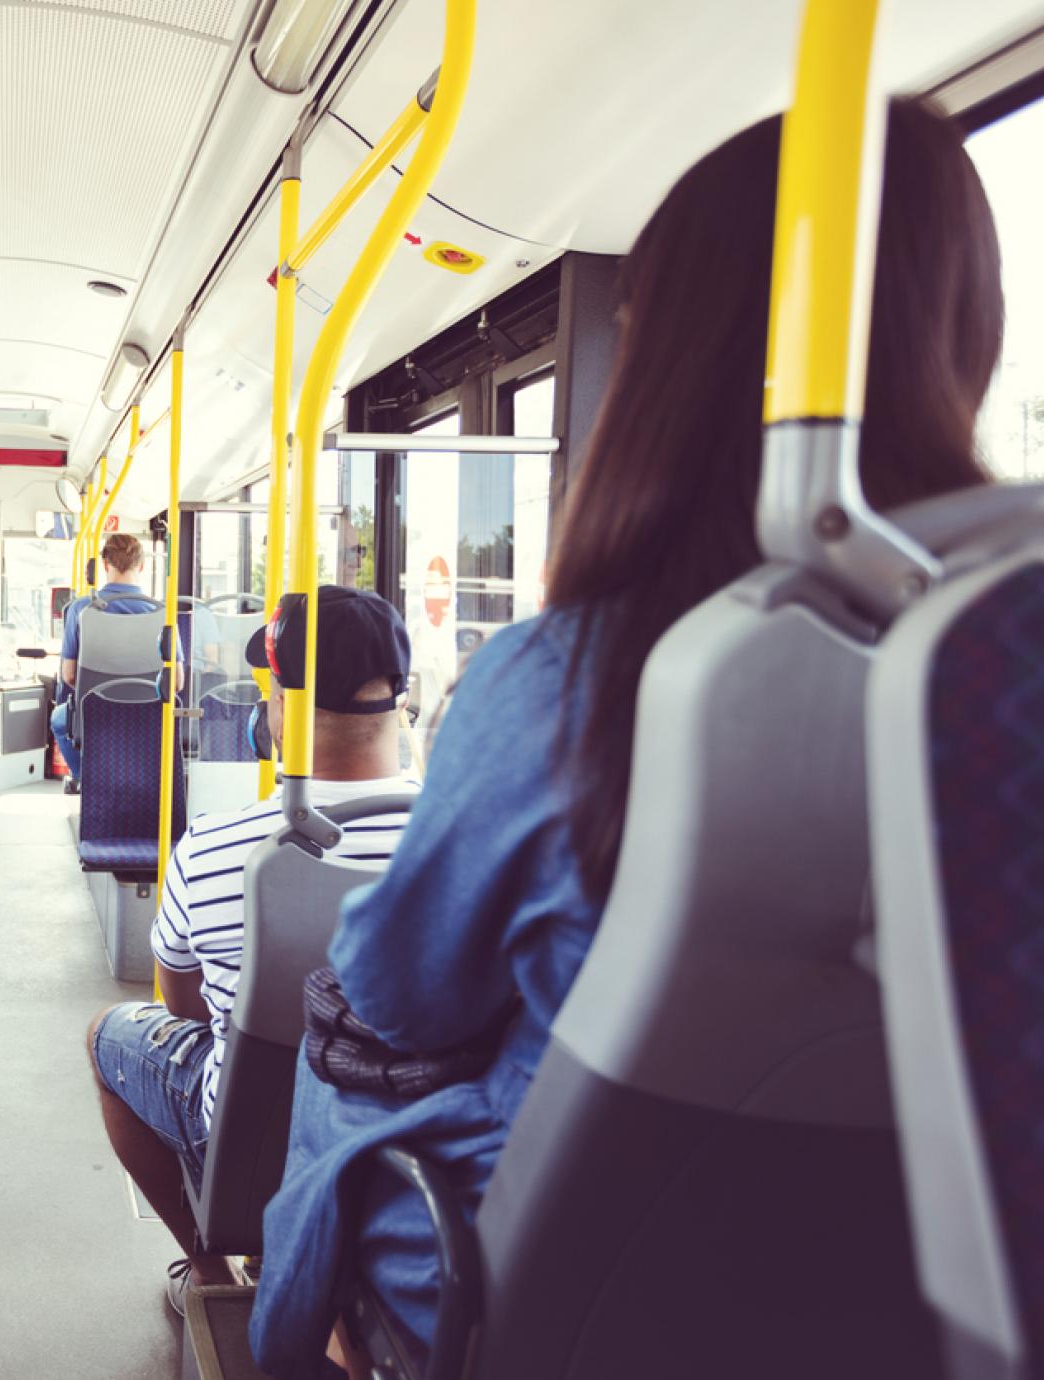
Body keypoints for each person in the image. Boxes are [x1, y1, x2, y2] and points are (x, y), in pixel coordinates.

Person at [252, 97, 1003, 1377]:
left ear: (666, 369)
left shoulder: (568, 685)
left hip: (576, 1302)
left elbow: (389, 1002)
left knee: (342, 1044)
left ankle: (295, 1306)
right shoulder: (999, 691)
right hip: (929, 1308)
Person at [88, 586, 422, 1314]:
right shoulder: (462, 845)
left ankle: (209, 1270)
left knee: (108, 1037)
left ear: (278, 705)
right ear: (402, 697)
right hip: (419, 1150)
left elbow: (184, 1004)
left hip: (257, 1147)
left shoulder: (214, 848)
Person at [51, 533, 162, 792]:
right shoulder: (161, 612)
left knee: (59, 719)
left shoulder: (81, 609)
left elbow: (69, 675)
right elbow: (177, 680)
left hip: (96, 713)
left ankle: (88, 781)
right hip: (149, 715)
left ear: (104, 565)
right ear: (142, 566)